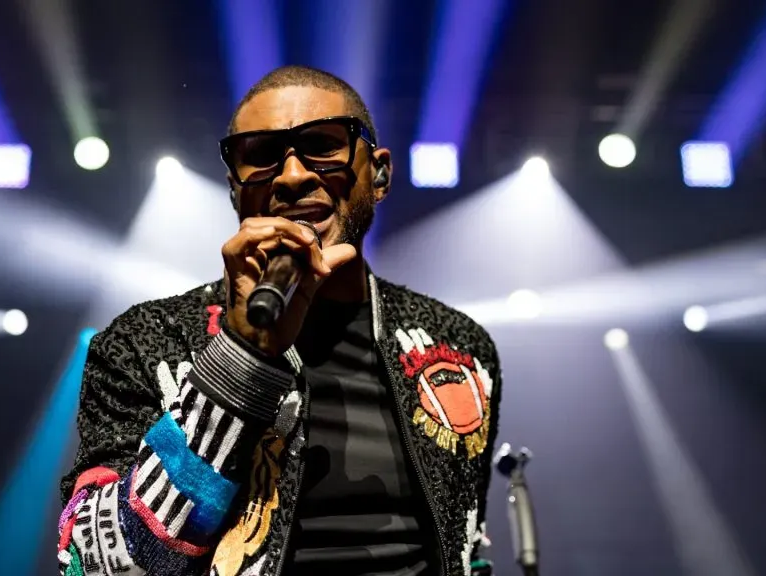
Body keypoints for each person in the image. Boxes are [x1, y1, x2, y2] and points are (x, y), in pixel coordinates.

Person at [58, 65, 502, 576]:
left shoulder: (457, 346)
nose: (292, 176)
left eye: (323, 143)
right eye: (262, 155)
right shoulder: (142, 342)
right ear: (234, 189)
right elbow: (99, 565)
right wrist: (242, 355)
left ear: (378, 175)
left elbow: (466, 544)